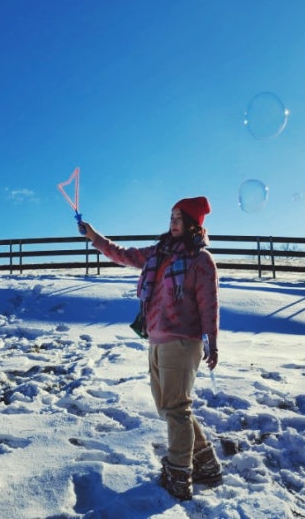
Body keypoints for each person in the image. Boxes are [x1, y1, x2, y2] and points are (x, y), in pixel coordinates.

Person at [79, 196, 222, 500]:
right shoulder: (160, 252)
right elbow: (123, 254)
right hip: (156, 337)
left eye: (178, 218)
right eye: (171, 217)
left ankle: (179, 474)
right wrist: (94, 237)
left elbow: (209, 305)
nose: (172, 223)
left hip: (183, 341)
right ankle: (206, 463)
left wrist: (211, 341)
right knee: (170, 407)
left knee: (176, 408)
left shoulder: (200, 260)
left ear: (193, 223)